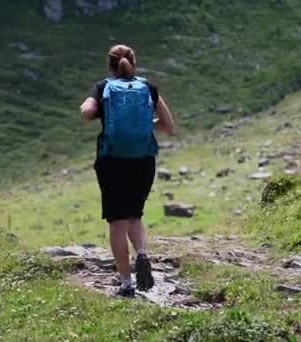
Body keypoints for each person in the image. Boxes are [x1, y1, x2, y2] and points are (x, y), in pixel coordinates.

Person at [79, 44, 176, 297]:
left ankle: (126, 283)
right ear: (135, 62)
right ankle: (142, 254)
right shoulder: (149, 89)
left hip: (112, 161)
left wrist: (101, 111)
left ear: (110, 65)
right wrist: (144, 122)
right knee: (135, 215)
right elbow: (168, 126)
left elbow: (87, 112)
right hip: (143, 160)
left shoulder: (102, 87)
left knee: (117, 222)